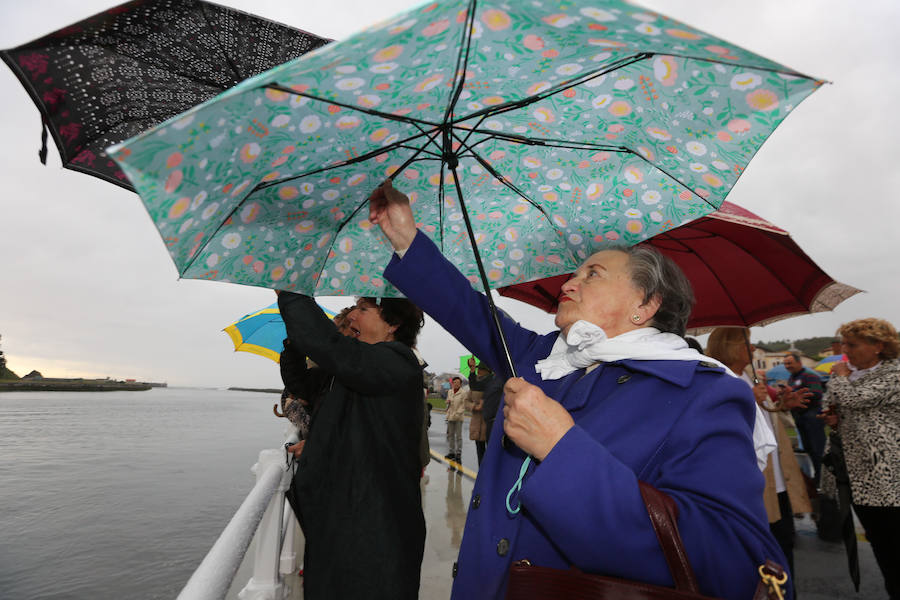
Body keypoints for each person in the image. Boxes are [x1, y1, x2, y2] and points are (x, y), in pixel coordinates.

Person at [368, 179, 789, 600]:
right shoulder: (542, 358)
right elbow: (467, 310)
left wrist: (560, 447)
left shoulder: (705, 393)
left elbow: (729, 561)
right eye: (573, 274)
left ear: (645, 306)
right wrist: (406, 235)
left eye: (593, 274)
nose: (567, 285)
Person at [277, 292, 427, 600]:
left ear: (393, 324)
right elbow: (301, 383)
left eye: (363, 309)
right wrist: (294, 344)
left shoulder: (396, 361)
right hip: (342, 519)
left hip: (374, 529)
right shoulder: (349, 371)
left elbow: (329, 346)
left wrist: (292, 292)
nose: (351, 317)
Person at [706, 327, 811, 580]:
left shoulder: (748, 378)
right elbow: (717, 427)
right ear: (730, 346)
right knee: (766, 555)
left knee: (784, 547)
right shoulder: (718, 380)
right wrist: (745, 399)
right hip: (755, 485)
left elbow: (763, 426)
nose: (753, 349)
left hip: (777, 481)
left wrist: (782, 406)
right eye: (747, 343)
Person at [822, 318, 900, 599]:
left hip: (887, 478)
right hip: (854, 476)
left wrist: (840, 378)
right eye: (843, 343)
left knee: (894, 545)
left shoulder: (894, 374)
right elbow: (833, 404)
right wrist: (832, 418)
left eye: (852, 344)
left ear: (878, 346)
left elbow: (856, 400)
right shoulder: (848, 375)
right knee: (881, 546)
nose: (845, 350)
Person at [782, 352, 826, 485]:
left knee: (818, 449)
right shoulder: (791, 378)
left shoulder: (809, 375)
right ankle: (816, 477)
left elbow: (817, 393)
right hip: (800, 418)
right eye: (785, 364)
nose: (787, 366)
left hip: (812, 417)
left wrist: (796, 395)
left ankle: (823, 479)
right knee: (808, 449)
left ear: (799, 363)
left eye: (790, 363)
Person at [467, 358, 490, 465]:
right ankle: (482, 470)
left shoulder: (491, 381)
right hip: (477, 423)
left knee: (490, 451)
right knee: (479, 451)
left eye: (481, 369)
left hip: (488, 422)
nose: (479, 371)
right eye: (478, 369)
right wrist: (473, 406)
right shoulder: (475, 383)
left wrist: (484, 405)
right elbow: (466, 401)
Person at [445, 375, 468, 464]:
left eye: (458, 383)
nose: (456, 384)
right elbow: (448, 401)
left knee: (458, 436)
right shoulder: (450, 391)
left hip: (458, 417)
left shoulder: (463, 392)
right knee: (450, 435)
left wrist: (457, 413)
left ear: (460, 384)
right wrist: (447, 402)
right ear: (452, 383)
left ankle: (458, 454)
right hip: (450, 416)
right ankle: (451, 452)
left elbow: (463, 405)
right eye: (454, 382)